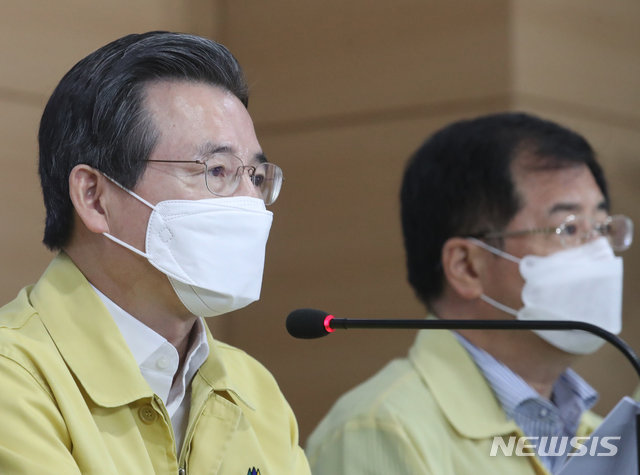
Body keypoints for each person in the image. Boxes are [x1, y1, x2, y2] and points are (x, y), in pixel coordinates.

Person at [0, 31, 310, 474]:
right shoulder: (13, 378)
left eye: (256, 177)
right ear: (94, 197)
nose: (249, 201)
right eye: (216, 170)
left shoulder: (256, 391)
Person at [306, 112, 633, 474]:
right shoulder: (382, 429)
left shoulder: (603, 436)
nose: (600, 253)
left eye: (603, 227)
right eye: (568, 229)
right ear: (467, 267)